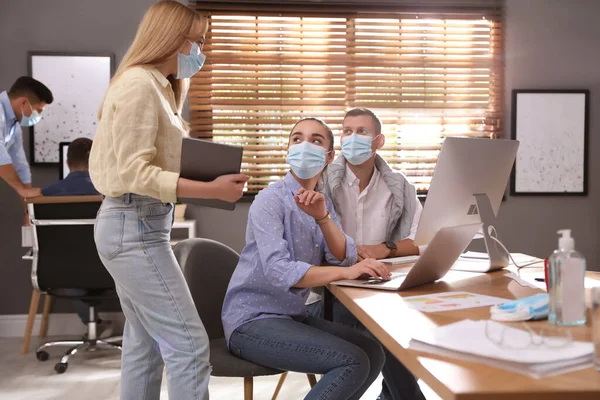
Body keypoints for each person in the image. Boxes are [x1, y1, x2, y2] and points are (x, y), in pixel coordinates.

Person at [88, 2, 248, 399]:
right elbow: (133, 173)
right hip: (133, 228)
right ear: (169, 39)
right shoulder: (139, 84)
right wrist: (212, 190)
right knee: (190, 347)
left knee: (145, 347)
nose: (199, 50)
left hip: (138, 227)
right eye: (195, 41)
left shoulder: (158, 87)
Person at [222, 117, 391, 400]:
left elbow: (342, 257)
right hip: (252, 322)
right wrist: (348, 273)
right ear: (287, 149)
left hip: (291, 316)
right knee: (354, 361)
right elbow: (279, 271)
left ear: (329, 156)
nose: (304, 146)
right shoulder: (270, 199)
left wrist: (323, 217)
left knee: (373, 351)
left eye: (316, 140)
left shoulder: (319, 202)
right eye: (297, 139)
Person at [323, 108, 426, 400]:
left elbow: (423, 240)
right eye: (346, 131)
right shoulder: (321, 181)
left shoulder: (399, 187)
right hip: (332, 291)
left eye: (362, 131)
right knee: (381, 328)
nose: (352, 138)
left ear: (379, 141)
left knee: (411, 322)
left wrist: (383, 249)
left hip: (383, 286)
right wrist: (352, 258)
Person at [41, 137, 112, 336]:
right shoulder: (110, 193)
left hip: (65, 274)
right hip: (107, 270)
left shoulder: (47, 195)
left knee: (66, 265)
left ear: (67, 163)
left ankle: (93, 324)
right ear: (97, 161)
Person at [0, 77, 53, 217]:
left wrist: (28, 209)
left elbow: (21, 166)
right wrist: (21, 190)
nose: (39, 116)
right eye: (38, 111)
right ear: (24, 102)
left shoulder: (14, 126)